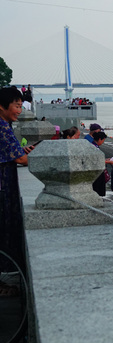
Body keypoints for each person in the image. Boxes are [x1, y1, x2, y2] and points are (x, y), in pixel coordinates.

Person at [0, 87, 35, 275]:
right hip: (3, 186)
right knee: (5, 230)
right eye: (16, 106)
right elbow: (20, 159)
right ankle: (5, 278)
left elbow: (16, 154)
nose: (19, 111)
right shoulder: (2, 127)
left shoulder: (5, 125)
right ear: (1, 106)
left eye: (21, 106)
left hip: (7, 184)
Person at [90, 131, 112, 197]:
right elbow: (96, 160)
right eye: (103, 140)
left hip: (97, 170)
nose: (103, 142)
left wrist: (106, 160)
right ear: (99, 139)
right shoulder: (94, 147)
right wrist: (108, 162)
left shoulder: (93, 145)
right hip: (97, 171)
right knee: (98, 189)